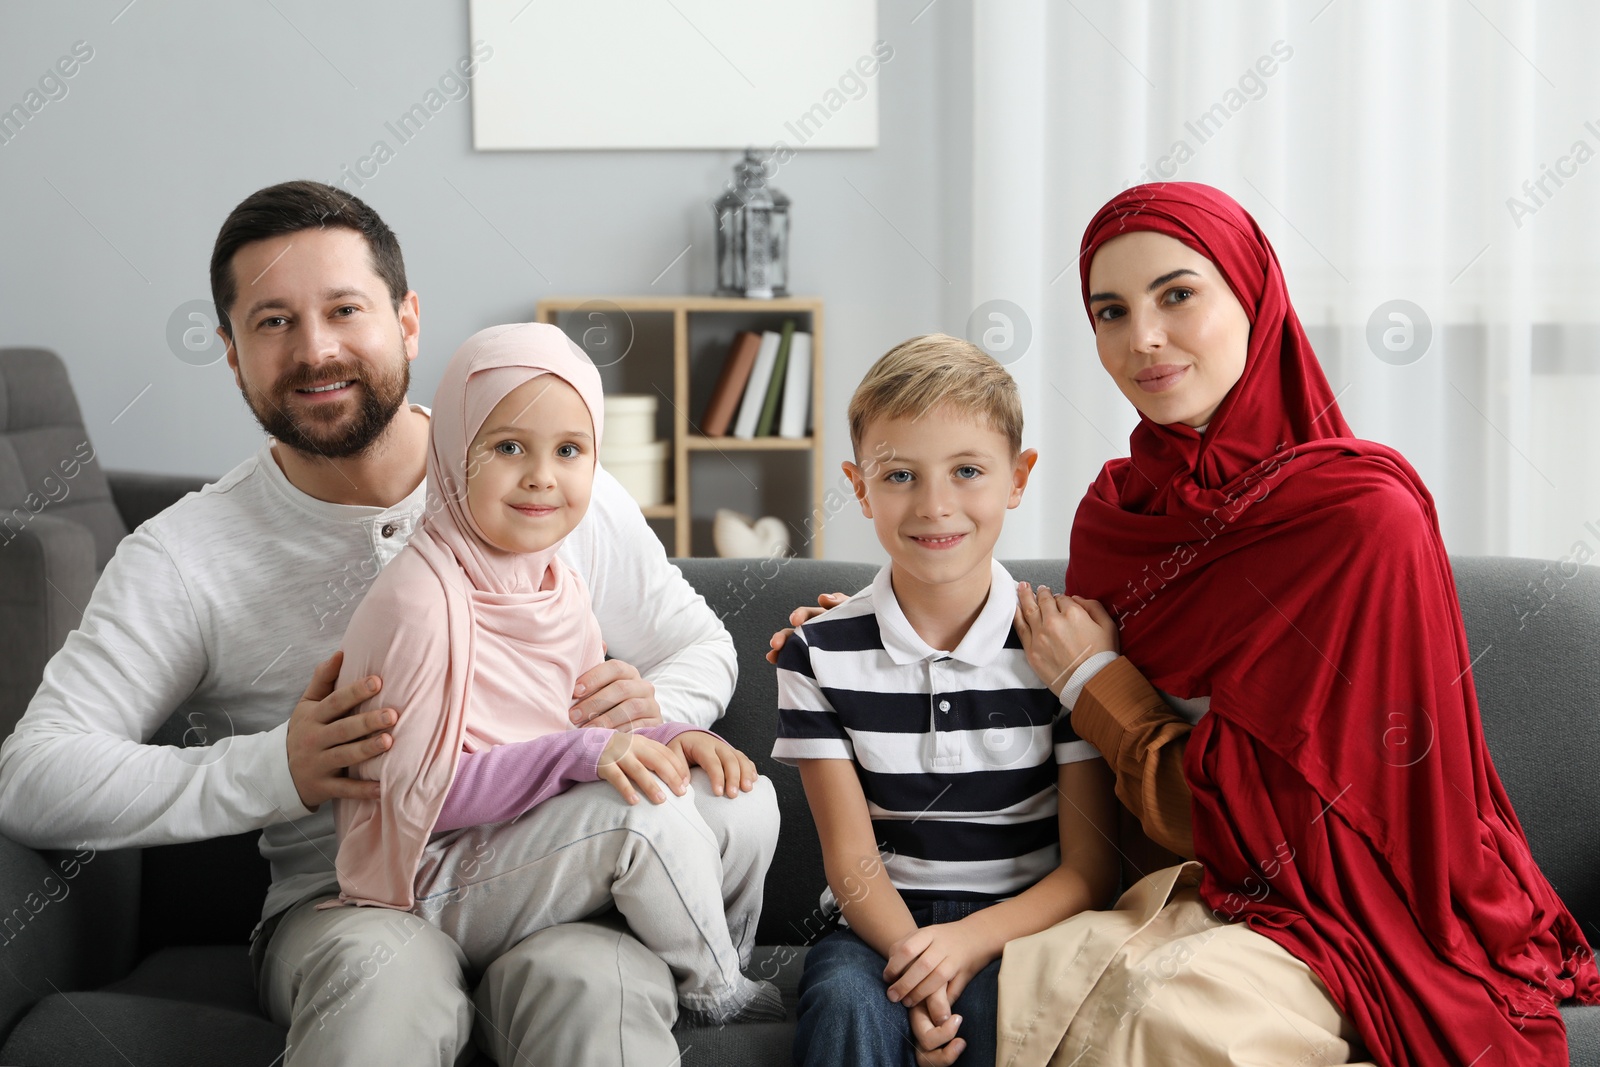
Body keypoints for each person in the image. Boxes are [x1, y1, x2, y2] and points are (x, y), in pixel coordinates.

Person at [0, 180, 750, 1066]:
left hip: (559, 879)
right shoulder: (185, 554)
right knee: (384, 984)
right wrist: (279, 766)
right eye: (273, 321)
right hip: (346, 908)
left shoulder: (547, 471)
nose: (315, 349)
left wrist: (655, 703)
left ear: (408, 321)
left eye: (344, 309)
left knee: (597, 990)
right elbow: (35, 775)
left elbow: (703, 643)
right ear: (232, 353)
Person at [995, 182, 1600, 1066]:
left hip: (1342, 898)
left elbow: (1284, 823)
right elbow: (1051, 692)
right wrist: (880, 619)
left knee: (1163, 1020)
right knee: (1054, 1002)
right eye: (1110, 311)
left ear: (1254, 296)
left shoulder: (1361, 520)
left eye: (1177, 295)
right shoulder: (1115, 516)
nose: (1143, 339)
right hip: (1172, 887)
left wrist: (1096, 685)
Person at [327, 321, 782, 1025]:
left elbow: (575, 720)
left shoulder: (554, 578)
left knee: (746, 798)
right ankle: (717, 993)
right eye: (508, 447)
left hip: (534, 836)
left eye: (570, 450)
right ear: (454, 452)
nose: (543, 475)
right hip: (437, 876)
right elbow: (419, 798)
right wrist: (585, 755)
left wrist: (671, 731)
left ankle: (713, 953)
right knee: (645, 817)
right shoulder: (418, 601)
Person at [773, 335, 1119, 1067]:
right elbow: (850, 860)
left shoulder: (1059, 646)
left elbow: (1090, 870)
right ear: (859, 486)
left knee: (1014, 1015)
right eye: (900, 475)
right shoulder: (817, 652)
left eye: (967, 470)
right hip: (875, 929)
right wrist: (917, 962)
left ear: (1018, 477)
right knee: (842, 1004)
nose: (935, 505)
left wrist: (963, 947)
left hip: (1024, 930)